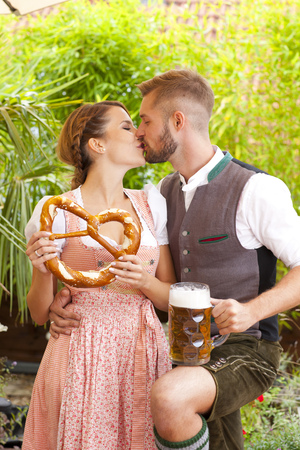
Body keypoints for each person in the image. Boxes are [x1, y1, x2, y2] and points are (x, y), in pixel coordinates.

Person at [49, 70, 300, 450]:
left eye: (145, 121)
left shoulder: (257, 189)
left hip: (246, 347)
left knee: (170, 398)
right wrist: (61, 299)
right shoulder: (159, 196)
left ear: (177, 121)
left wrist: (251, 310)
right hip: (184, 349)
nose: (139, 133)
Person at [23, 100, 177, 450]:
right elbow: (38, 312)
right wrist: (41, 269)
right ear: (97, 144)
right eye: (126, 127)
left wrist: (145, 282)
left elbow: (171, 297)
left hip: (143, 348)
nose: (138, 132)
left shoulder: (152, 204)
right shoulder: (56, 211)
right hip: (79, 348)